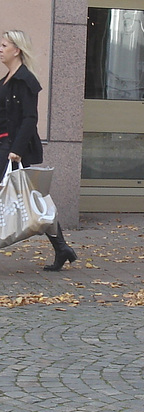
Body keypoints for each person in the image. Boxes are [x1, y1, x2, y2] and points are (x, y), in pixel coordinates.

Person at [0, 30, 77, 271]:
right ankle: (62, 248)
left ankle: (62, 247)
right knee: (36, 198)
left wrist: (17, 149)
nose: (0, 49)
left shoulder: (25, 81)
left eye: (4, 45)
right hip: (4, 143)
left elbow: (29, 118)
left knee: (34, 198)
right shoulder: (7, 79)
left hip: (12, 147)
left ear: (17, 50)